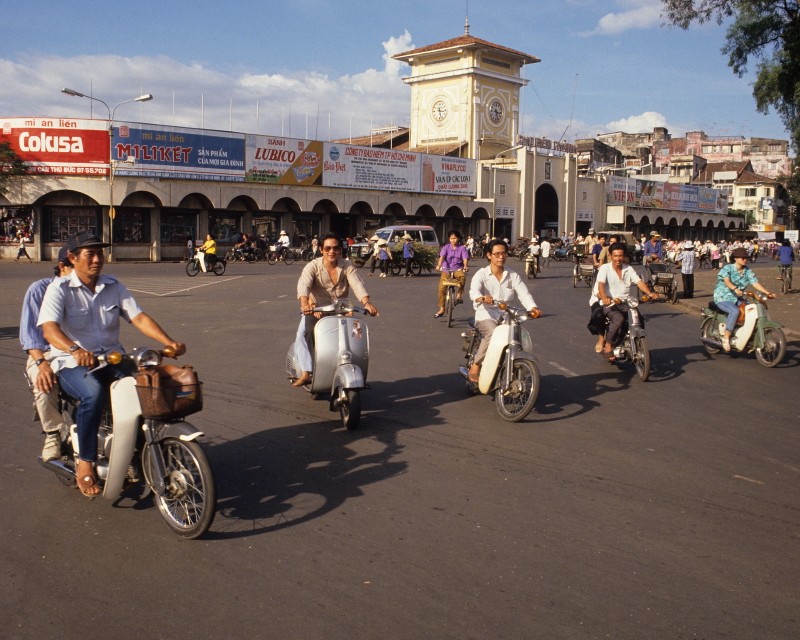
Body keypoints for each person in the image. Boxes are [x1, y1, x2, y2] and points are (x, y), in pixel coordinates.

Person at [38, 231, 185, 497]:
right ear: (72, 258)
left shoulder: (113, 285)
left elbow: (138, 317)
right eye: (89, 254)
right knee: (92, 393)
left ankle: (138, 448)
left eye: (99, 253)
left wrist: (169, 342)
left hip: (112, 357)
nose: (97, 259)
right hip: (71, 362)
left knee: (147, 385)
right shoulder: (58, 289)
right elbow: (49, 329)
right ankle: (86, 462)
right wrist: (74, 349)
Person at [292, 233, 379, 387]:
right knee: (302, 334)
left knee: (357, 333)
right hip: (316, 309)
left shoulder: (347, 266)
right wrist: (305, 304)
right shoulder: (313, 266)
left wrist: (367, 303)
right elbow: (303, 284)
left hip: (341, 310)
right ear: (321, 250)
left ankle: (354, 366)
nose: (331, 251)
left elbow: (357, 285)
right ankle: (307, 371)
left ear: (340, 250)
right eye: (328, 248)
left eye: (336, 248)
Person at [19, 244, 74, 461]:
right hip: (44, 353)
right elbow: (30, 337)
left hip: (75, 353)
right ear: (63, 267)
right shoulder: (39, 290)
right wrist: (42, 364)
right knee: (45, 382)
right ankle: (52, 433)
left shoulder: (84, 292)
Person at [467, 239, 541, 382]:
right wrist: (482, 297)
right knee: (493, 333)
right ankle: (475, 366)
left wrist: (533, 308)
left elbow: (524, 294)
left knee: (517, 337)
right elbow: (473, 291)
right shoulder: (481, 274)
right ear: (489, 255)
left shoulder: (512, 275)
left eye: (504, 253)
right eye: (497, 254)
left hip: (506, 315)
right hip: (485, 314)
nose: (501, 257)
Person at [589, 243, 658, 360]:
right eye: (615, 256)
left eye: (620, 256)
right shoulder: (605, 268)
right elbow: (601, 285)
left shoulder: (629, 269)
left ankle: (640, 345)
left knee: (639, 320)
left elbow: (639, 282)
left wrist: (650, 293)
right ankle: (609, 345)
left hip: (625, 303)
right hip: (610, 303)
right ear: (611, 256)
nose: (618, 258)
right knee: (618, 319)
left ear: (624, 256)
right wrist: (604, 297)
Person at [713, 246, 774, 352]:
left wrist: (768, 293)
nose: (745, 260)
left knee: (751, 309)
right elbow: (726, 280)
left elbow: (755, 282)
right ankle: (726, 337)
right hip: (723, 296)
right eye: (742, 258)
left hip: (738, 297)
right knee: (735, 310)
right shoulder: (728, 268)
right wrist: (734, 288)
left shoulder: (747, 271)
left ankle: (745, 334)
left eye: (746, 258)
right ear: (736, 258)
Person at [434, 230, 470, 317]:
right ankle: (442, 308)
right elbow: (442, 257)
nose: (453, 240)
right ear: (449, 239)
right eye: (451, 238)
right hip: (446, 269)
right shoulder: (446, 247)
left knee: (462, 277)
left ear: (458, 239)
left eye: (455, 238)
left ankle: (458, 295)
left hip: (457, 269)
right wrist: (439, 265)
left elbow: (465, 258)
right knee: (441, 289)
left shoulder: (462, 248)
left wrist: (465, 266)